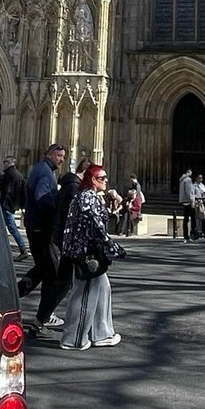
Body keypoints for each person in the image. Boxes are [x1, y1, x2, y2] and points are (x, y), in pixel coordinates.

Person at [59, 164, 126, 350]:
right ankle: (74, 339)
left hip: (87, 252)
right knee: (84, 295)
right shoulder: (87, 198)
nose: (105, 180)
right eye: (101, 177)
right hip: (87, 255)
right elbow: (96, 228)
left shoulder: (85, 197)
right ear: (92, 179)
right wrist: (114, 248)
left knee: (103, 289)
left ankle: (102, 333)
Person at [18, 143, 67, 332]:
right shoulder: (45, 173)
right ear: (49, 154)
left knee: (44, 268)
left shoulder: (41, 169)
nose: (61, 159)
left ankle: (15, 294)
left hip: (35, 226)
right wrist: (56, 209)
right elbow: (42, 198)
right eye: (59, 155)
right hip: (41, 228)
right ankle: (45, 315)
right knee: (51, 270)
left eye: (63, 156)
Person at [0, 155, 28, 261]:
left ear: (9, 163)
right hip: (12, 204)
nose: (3, 164)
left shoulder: (9, 175)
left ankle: (23, 250)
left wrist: (2, 202)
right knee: (2, 226)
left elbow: (7, 191)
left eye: (5, 162)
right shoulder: (18, 175)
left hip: (6, 204)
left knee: (11, 228)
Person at [178, 168, 196, 242]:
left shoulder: (182, 180)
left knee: (185, 219)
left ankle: (186, 236)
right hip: (189, 202)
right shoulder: (188, 180)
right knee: (193, 219)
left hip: (184, 201)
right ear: (189, 172)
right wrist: (192, 200)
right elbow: (188, 191)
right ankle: (192, 235)